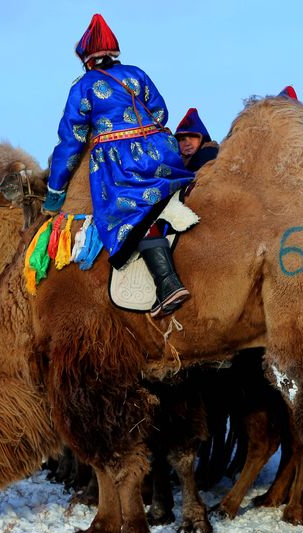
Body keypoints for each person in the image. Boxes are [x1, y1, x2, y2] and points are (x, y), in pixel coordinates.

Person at [43, 14, 195, 318]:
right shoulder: (137, 73)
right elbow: (160, 113)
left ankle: (167, 284)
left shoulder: (83, 86)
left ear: (86, 58)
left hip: (121, 161)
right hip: (163, 152)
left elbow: (71, 142)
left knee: (126, 211)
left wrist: (55, 189)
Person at [174, 108, 218, 172]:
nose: (187, 143)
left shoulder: (210, 153)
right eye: (182, 139)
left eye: (192, 137)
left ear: (202, 139)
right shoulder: (176, 163)